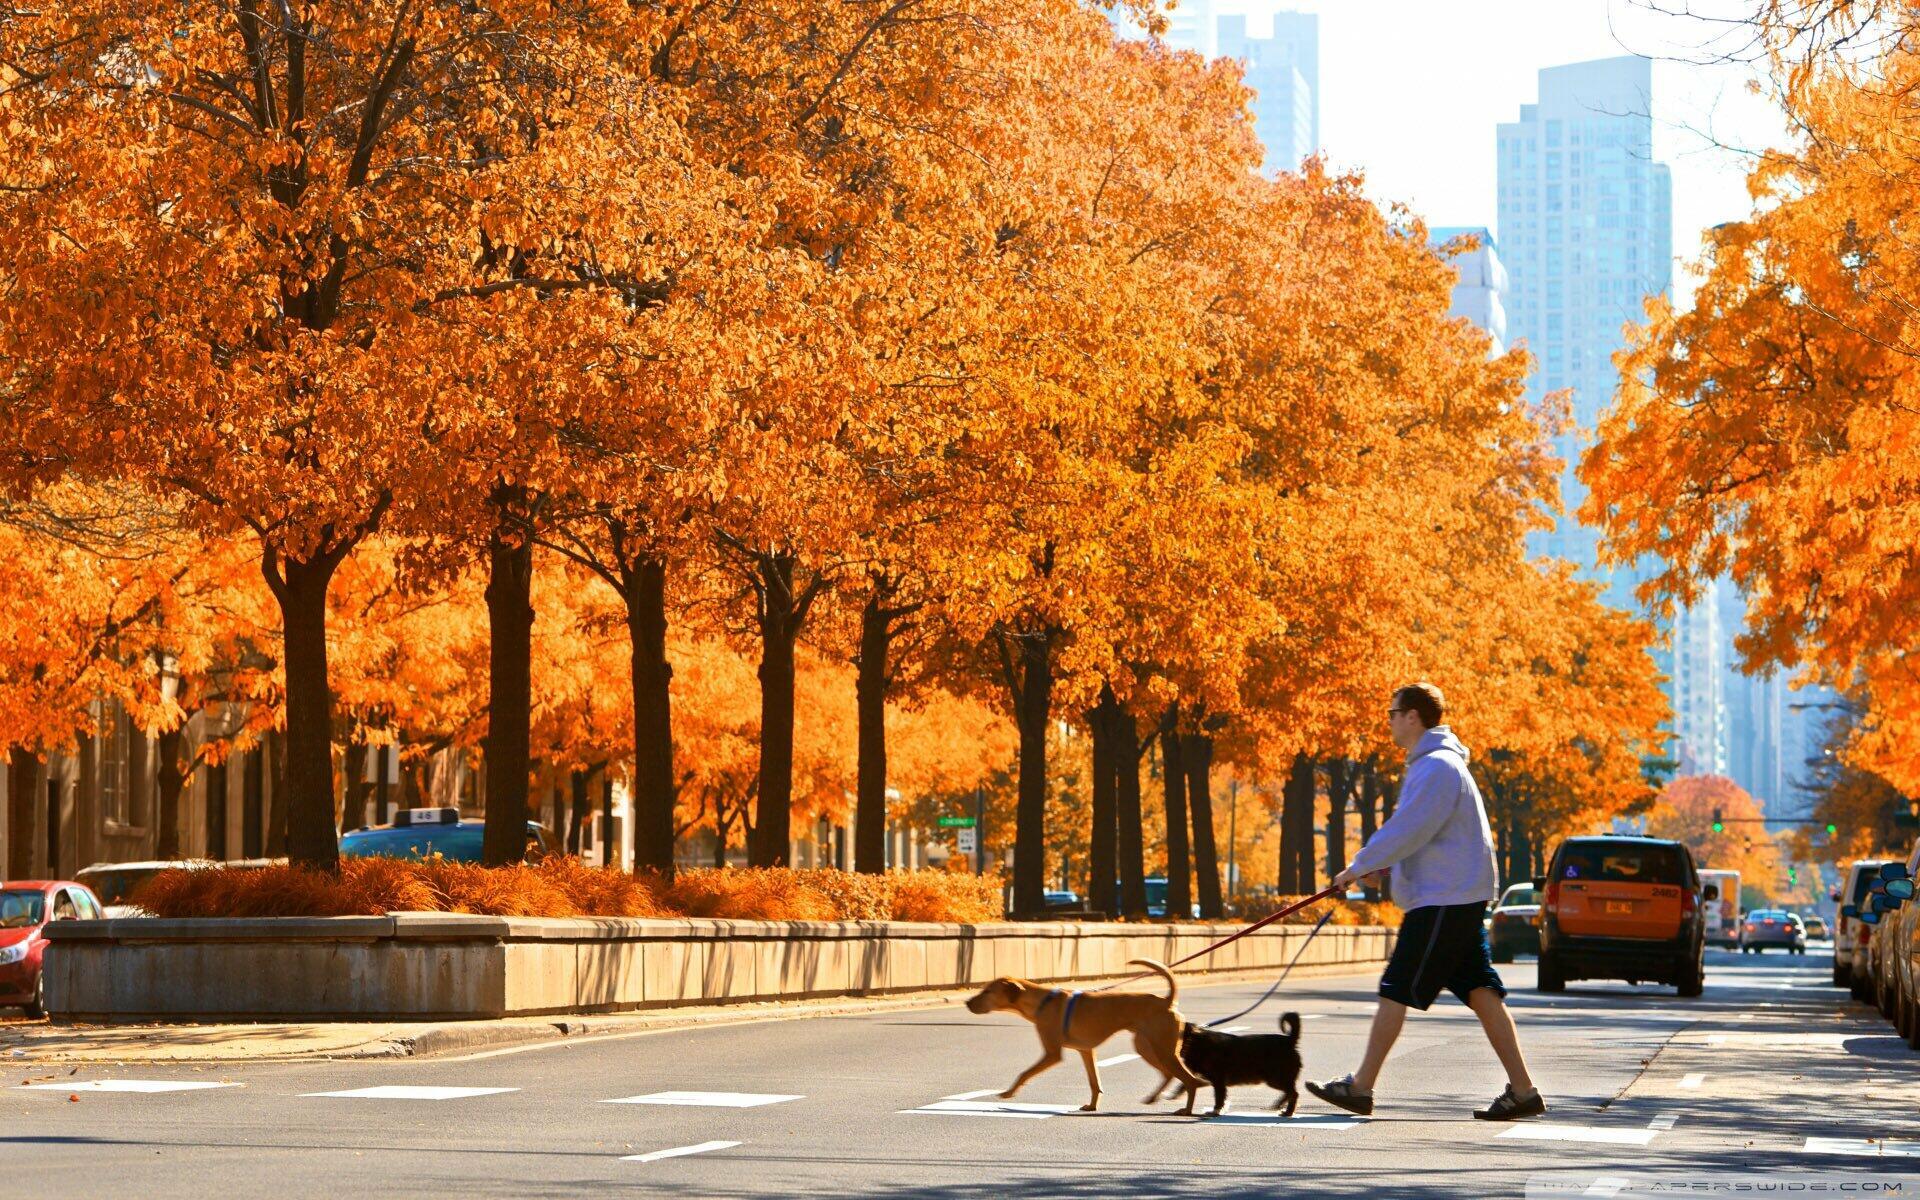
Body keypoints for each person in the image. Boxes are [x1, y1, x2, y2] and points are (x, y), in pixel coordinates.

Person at [1304, 682, 1545, 1121]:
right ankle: (1524, 1091)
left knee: (1396, 986)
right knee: (1481, 991)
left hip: (1444, 901)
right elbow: (1424, 836)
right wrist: (1387, 869)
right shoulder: (1435, 765)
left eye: (1393, 712)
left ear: (1413, 716)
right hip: (1454, 896)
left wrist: (1357, 866)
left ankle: (1360, 1087)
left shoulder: (1437, 767)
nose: (1390, 720)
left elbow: (1407, 830)